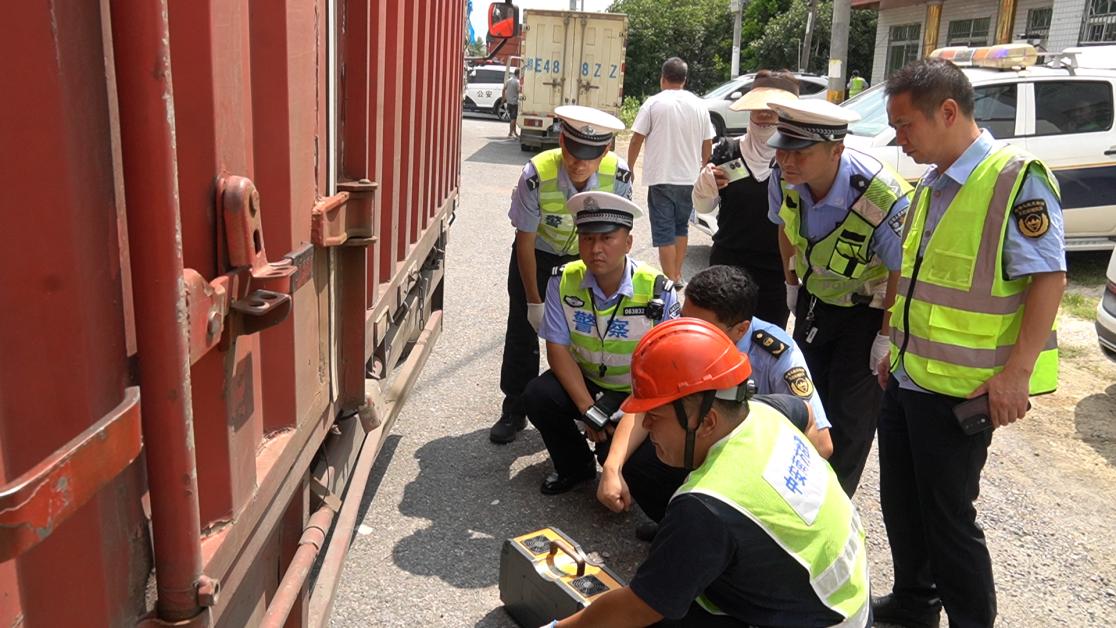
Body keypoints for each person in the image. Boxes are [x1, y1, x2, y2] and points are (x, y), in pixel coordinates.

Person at [871, 58, 1066, 628]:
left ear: (948, 112)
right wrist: (889, 343)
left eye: (906, 126)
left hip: (959, 390)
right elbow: (912, 270)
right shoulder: (933, 181)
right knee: (902, 506)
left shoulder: (1014, 178)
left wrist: (1017, 375)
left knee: (949, 520)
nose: (899, 139)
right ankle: (913, 602)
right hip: (908, 377)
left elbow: (1049, 278)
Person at [544, 318, 871, 628]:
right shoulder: (768, 412)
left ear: (708, 421)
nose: (649, 427)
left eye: (655, 417)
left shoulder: (706, 507)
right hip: (847, 599)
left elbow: (640, 608)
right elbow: (808, 414)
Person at [598, 264, 833, 538]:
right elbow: (647, 404)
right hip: (697, 443)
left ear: (740, 329)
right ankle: (677, 527)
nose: (687, 332)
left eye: (702, 327)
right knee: (628, 455)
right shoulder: (682, 338)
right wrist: (612, 468)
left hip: (749, 469)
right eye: (685, 319)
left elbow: (822, 445)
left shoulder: (776, 354)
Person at [767, 98, 914, 496]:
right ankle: (793, 491)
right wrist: (792, 283)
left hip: (867, 314)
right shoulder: (783, 178)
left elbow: (901, 269)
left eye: (800, 152)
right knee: (805, 396)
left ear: (837, 150)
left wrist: (886, 336)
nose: (786, 161)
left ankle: (834, 503)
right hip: (815, 303)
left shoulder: (883, 197)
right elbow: (785, 226)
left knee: (851, 417)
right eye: (782, 148)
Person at [491, 106, 631, 444]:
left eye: (590, 155)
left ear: (606, 151)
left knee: (586, 329)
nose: (579, 163)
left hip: (583, 257)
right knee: (522, 332)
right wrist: (534, 300)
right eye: (573, 152)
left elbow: (618, 233)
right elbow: (524, 240)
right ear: (561, 141)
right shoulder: (536, 174)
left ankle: (585, 405)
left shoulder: (620, 175)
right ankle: (514, 407)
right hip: (538, 254)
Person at [524, 191, 677, 494]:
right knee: (538, 395)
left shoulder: (658, 289)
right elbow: (557, 348)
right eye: (587, 239)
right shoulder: (562, 280)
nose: (596, 249)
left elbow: (667, 369)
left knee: (617, 458)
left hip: (636, 394)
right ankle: (575, 467)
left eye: (607, 239)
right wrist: (588, 410)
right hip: (589, 383)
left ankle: (614, 466)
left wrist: (634, 412)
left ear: (628, 243)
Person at [693, 69, 799, 328]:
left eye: (772, 109)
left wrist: (794, 281)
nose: (764, 115)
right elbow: (703, 207)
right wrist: (703, 188)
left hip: (776, 273)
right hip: (728, 266)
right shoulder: (727, 151)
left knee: (767, 347)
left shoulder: (799, 159)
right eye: (757, 108)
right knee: (720, 340)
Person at [627, 57, 715, 286]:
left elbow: (637, 138)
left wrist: (629, 166)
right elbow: (708, 142)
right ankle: (677, 274)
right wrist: (704, 167)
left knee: (665, 230)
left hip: (661, 177)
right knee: (681, 227)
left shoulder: (653, 103)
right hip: (689, 178)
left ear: (662, 79)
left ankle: (669, 279)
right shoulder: (699, 105)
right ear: (684, 80)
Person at [503, 68, 520, 138]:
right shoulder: (517, 82)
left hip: (509, 102)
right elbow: (519, 91)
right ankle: (510, 133)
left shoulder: (508, 80)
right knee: (513, 119)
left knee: (513, 118)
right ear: (518, 74)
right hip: (514, 102)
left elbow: (504, 89)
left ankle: (514, 132)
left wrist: (503, 98)